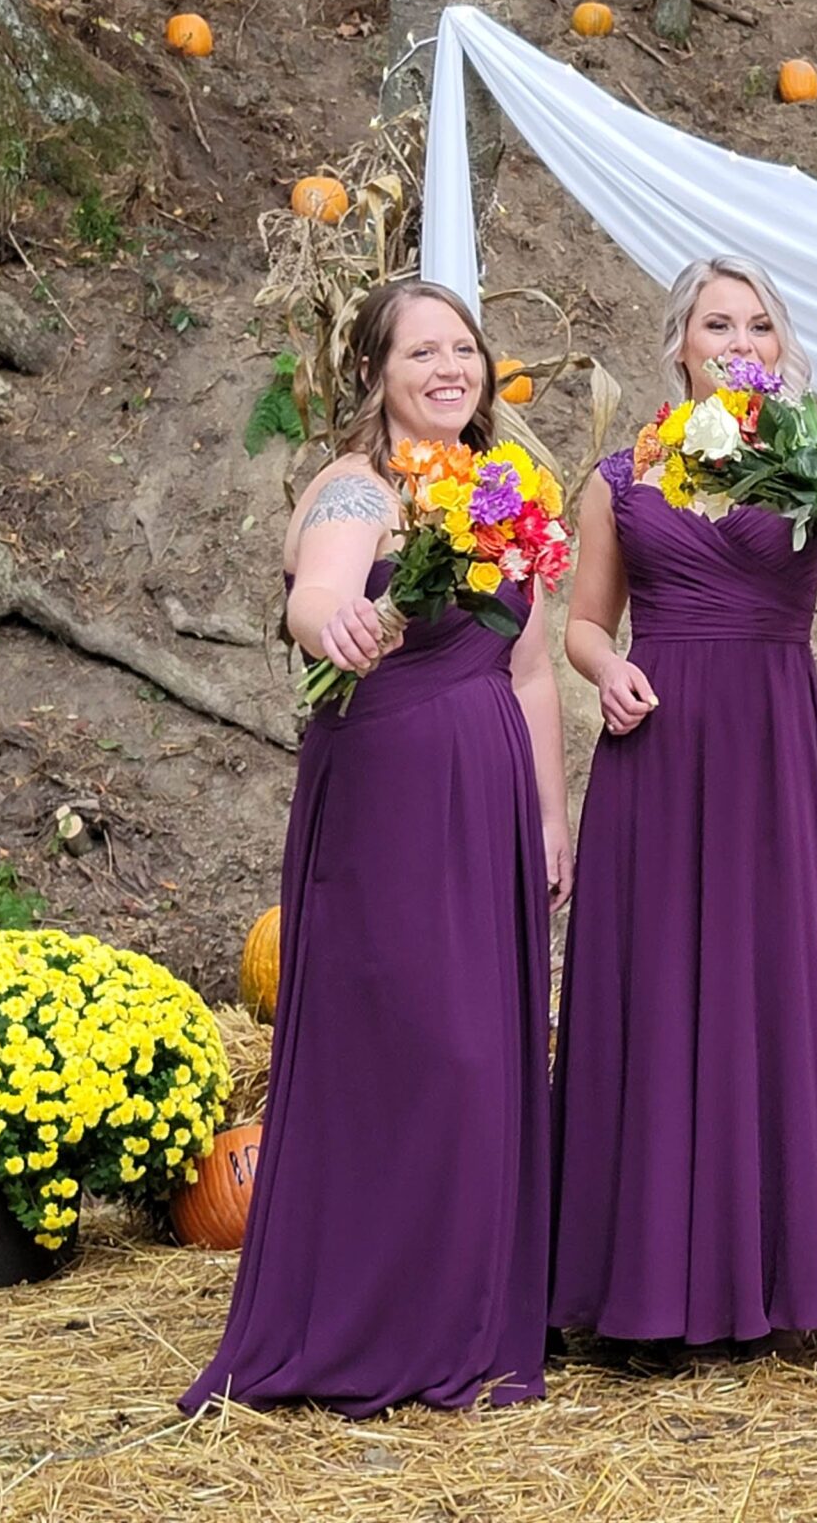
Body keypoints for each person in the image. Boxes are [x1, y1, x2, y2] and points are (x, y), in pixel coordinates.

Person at [184, 280, 566, 1416]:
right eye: (422, 351)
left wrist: (550, 817)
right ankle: (370, 1315)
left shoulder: (509, 494)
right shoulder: (357, 487)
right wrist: (333, 620)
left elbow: (532, 669)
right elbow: (319, 593)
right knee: (414, 1044)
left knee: (489, 1054)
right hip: (390, 792)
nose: (450, 368)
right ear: (377, 372)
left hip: (489, 787)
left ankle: (465, 1309)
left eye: (465, 349)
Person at [550, 256, 817, 1350]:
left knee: (762, 990)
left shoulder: (813, 457)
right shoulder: (620, 478)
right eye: (720, 324)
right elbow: (581, 626)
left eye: (761, 324)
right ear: (680, 345)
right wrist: (602, 673)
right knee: (654, 993)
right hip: (658, 747)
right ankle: (641, 1291)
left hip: (768, 749)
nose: (741, 341)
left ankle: (772, 1283)